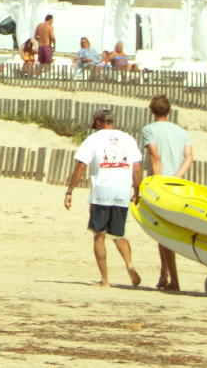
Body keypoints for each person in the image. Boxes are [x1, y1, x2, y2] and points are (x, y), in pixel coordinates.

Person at [64, 108, 143, 288]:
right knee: (118, 234)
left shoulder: (93, 139)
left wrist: (69, 190)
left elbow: (81, 166)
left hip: (102, 193)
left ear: (98, 123)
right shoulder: (128, 139)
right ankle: (129, 263)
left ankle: (105, 280)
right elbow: (137, 168)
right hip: (122, 193)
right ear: (112, 122)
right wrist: (136, 192)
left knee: (99, 236)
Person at [139, 95, 193, 293]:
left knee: (165, 232)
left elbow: (155, 156)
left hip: (162, 185)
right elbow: (189, 158)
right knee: (163, 232)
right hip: (178, 186)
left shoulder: (149, 130)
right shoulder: (181, 131)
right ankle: (164, 274)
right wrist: (177, 177)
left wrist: (158, 182)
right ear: (168, 111)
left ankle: (174, 281)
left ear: (152, 111)